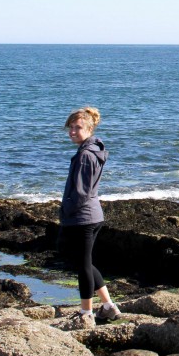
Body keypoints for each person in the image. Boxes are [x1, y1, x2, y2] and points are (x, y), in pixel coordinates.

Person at [58, 106, 120, 322]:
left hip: (83, 217)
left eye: (78, 127)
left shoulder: (85, 154)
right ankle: (109, 306)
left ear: (89, 128)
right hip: (92, 215)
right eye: (70, 127)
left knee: (82, 265)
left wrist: (66, 210)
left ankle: (86, 313)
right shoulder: (92, 149)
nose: (72, 131)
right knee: (84, 262)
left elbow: (81, 193)